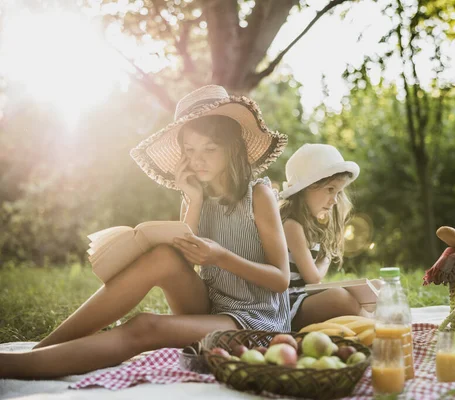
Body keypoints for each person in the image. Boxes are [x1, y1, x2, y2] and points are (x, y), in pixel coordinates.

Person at [0, 85, 290, 378]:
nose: (197, 159)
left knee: (145, 325)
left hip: (254, 322)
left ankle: (20, 367)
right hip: (210, 307)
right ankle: (43, 349)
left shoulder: (259, 196)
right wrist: (195, 200)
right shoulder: (194, 196)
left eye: (209, 149)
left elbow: (281, 280)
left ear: (232, 148)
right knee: (164, 256)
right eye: (189, 150)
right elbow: (182, 266)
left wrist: (220, 257)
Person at [279, 143, 374, 330]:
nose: (334, 200)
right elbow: (313, 279)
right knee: (340, 299)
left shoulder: (310, 224)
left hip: (304, 297)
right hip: (288, 305)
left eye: (338, 192)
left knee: (376, 286)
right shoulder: (291, 225)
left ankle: (367, 319)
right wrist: (327, 256)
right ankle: (374, 323)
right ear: (304, 188)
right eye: (330, 189)